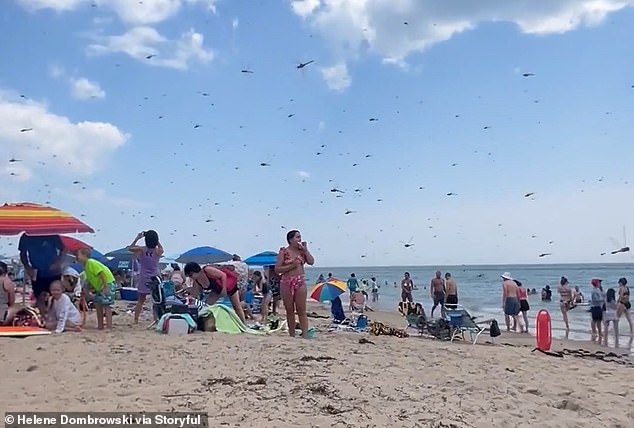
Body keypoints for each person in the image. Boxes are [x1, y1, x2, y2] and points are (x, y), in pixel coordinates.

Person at [275, 229, 315, 338]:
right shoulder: (284, 251)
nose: (300, 239)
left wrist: (306, 250)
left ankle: (305, 334)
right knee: (289, 310)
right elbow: (278, 269)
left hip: (300, 281)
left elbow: (311, 262)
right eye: (297, 237)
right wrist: (292, 266)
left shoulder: (301, 251)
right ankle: (292, 334)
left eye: (300, 237)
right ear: (290, 239)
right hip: (287, 281)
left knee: (301, 309)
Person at [127, 230, 164, 324]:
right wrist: (157, 241)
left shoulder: (142, 249)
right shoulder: (158, 251)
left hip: (144, 277)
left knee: (141, 300)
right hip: (155, 277)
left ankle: (136, 319)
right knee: (156, 300)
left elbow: (130, 248)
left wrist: (138, 237)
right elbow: (161, 248)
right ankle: (156, 319)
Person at [76, 248, 115, 330]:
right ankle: (100, 325)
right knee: (98, 304)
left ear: (84, 255)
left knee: (106, 305)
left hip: (107, 283)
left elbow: (102, 273)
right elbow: (91, 279)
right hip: (100, 286)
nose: (77, 257)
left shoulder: (91, 262)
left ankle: (109, 326)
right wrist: (86, 289)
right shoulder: (86, 265)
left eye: (78, 255)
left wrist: (106, 286)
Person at [18, 233, 66, 298]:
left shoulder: (52, 234)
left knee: (55, 297)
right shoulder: (26, 236)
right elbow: (22, 254)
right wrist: (28, 268)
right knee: (39, 297)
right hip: (37, 273)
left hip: (54, 272)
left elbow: (63, 249)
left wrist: (58, 263)